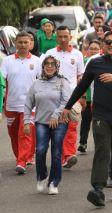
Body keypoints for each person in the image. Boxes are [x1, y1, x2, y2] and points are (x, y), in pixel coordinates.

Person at [61, 31, 112, 207]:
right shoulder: (95, 63)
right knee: (102, 150)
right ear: (103, 45)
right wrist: (67, 107)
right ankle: (98, 189)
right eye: (108, 43)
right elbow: (81, 86)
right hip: (100, 115)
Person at [24, 56, 71, 195]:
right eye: (47, 64)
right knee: (40, 151)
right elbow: (28, 104)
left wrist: (56, 115)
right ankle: (42, 177)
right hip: (41, 123)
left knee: (56, 153)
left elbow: (66, 101)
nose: (49, 66)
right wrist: (26, 122)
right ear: (43, 66)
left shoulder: (63, 82)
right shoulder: (36, 83)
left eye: (52, 64)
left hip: (60, 122)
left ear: (57, 67)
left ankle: (54, 183)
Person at [44, 26, 85, 169]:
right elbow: (43, 74)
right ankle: (63, 156)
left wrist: (82, 96)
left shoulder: (77, 54)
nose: (63, 39)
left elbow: (81, 77)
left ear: (70, 37)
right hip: (53, 96)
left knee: (72, 126)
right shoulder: (50, 53)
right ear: (56, 38)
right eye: (60, 37)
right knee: (58, 128)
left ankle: (69, 155)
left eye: (65, 36)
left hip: (71, 97)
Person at [1, 31, 42, 174]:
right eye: (20, 42)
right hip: (11, 105)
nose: (23, 45)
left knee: (25, 134)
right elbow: (2, 81)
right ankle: (21, 157)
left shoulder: (37, 61)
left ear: (30, 44)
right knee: (13, 136)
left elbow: (42, 82)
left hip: (30, 106)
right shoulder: (7, 60)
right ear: (15, 44)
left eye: (26, 42)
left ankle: (22, 162)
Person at [78, 40, 102, 154]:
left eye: (96, 49)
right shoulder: (84, 61)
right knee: (86, 120)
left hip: (98, 97)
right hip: (86, 96)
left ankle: (100, 143)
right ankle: (83, 143)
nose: (93, 51)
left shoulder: (102, 62)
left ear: (100, 49)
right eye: (91, 48)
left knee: (98, 122)